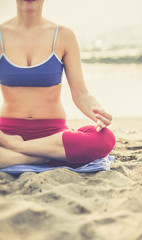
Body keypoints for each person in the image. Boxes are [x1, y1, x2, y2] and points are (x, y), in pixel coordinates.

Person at [0, 0, 116, 169]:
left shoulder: (63, 36)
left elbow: (81, 94)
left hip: (52, 135)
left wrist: (99, 113)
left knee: (105, 138)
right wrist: (3, 138)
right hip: (7, 132)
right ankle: (41, 159)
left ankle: (17, 151)